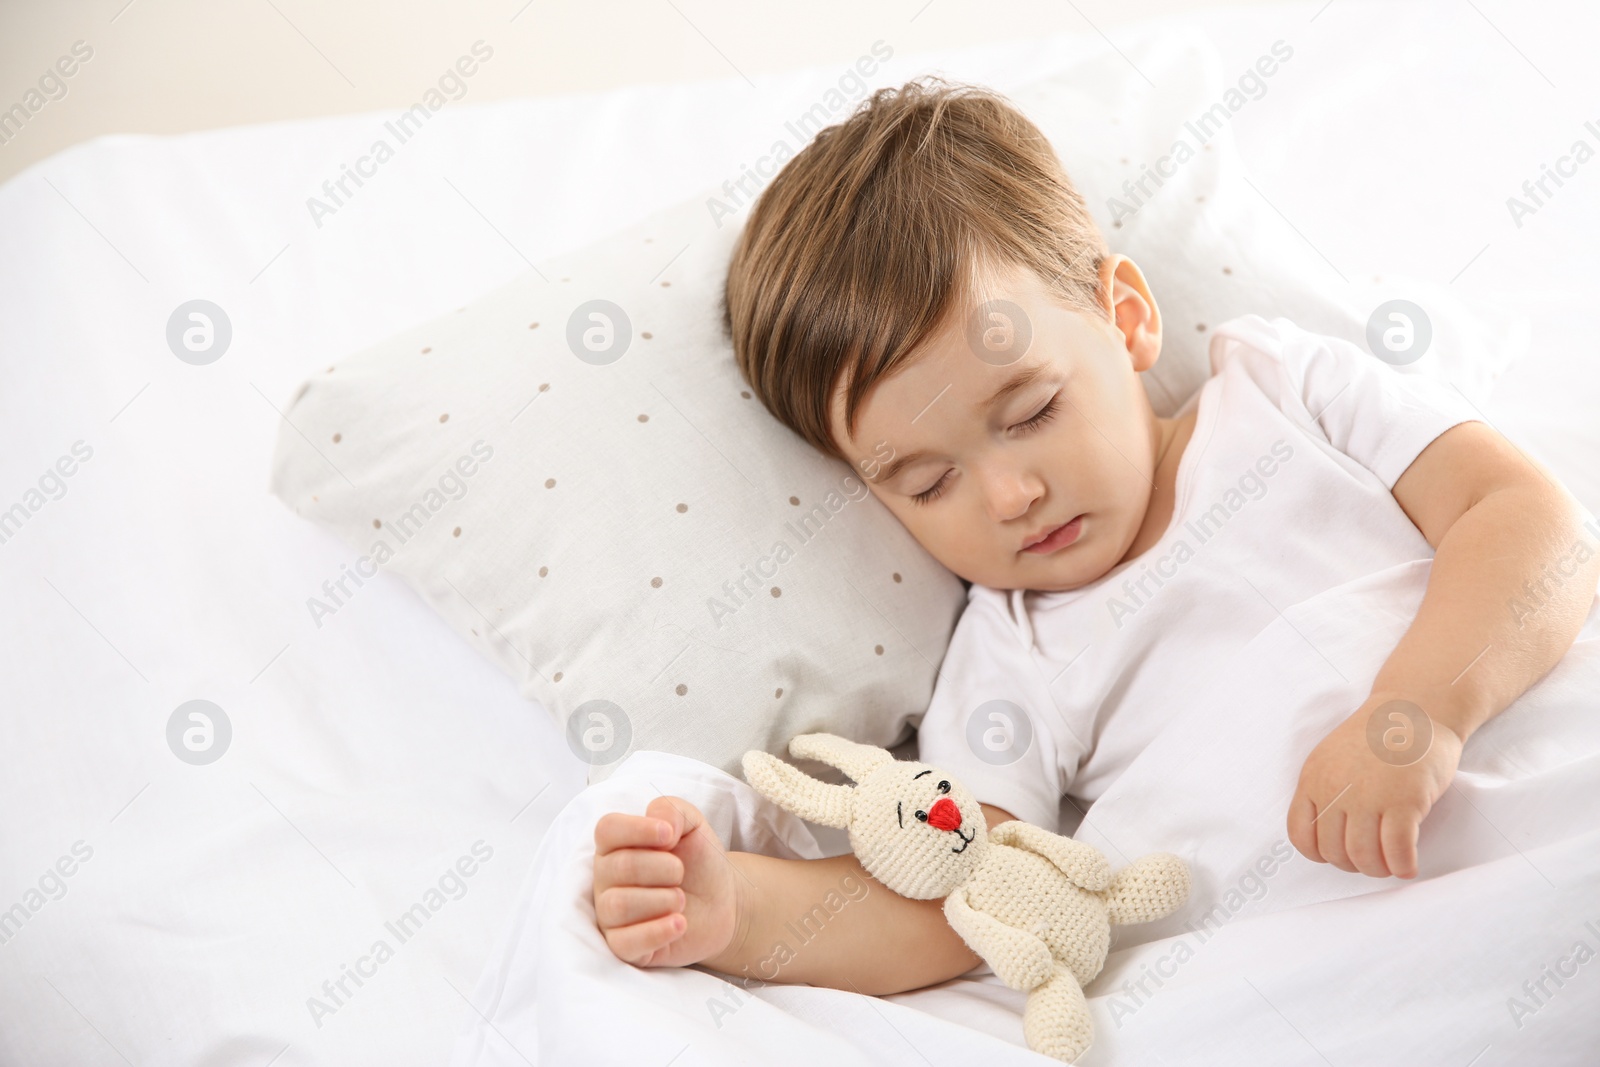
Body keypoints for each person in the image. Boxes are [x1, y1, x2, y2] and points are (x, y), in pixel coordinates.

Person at [589, 77, 1599, 997]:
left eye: (1029, 409)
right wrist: (735, 910)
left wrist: (1416, 709)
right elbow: (956, 897)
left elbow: (1527, 525)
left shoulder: (1285, 391)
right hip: (1371, 958)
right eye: (930, 481)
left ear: (1123, 319)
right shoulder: (1008, 656)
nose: (1012, 493)